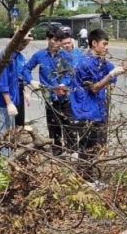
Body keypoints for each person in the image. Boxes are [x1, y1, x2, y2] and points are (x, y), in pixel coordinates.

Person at [69, 29, 127, 185]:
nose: (107, 47)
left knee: (95, 148)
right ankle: (84, 181)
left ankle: (90, 179)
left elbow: (116, 70)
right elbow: (94, 88)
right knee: (85, 150)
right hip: (85, 112)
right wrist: (111, 75)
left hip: (98, 111)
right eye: (104, 44)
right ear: (94, 43)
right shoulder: (84, 63)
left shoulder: (102, 63)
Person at [22, 26, 72, 155]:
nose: (58, 43)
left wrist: (63, 84)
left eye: (60, 40)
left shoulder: (65, 56)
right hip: (49, 98)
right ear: (48, 39)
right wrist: (31, 81)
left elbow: (70, 74)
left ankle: (71, 152)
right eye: (55, 40)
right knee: (53, 127)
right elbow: (26, 70)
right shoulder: (40, 55)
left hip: (64, 97)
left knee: (68, 126)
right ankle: (56, 152)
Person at [0, 31, 33, 156]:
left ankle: (9, 154)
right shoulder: (5, 56)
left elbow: (21, 76)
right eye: (22, 42)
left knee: (12, 130)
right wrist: (8, 103)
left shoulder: (19, 57)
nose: (24, 45)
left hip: (14, 98)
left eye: (26, 43)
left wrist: (27, 91)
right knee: (4, 130)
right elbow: (2, 82)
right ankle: (3, 159)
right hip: (3, 100)